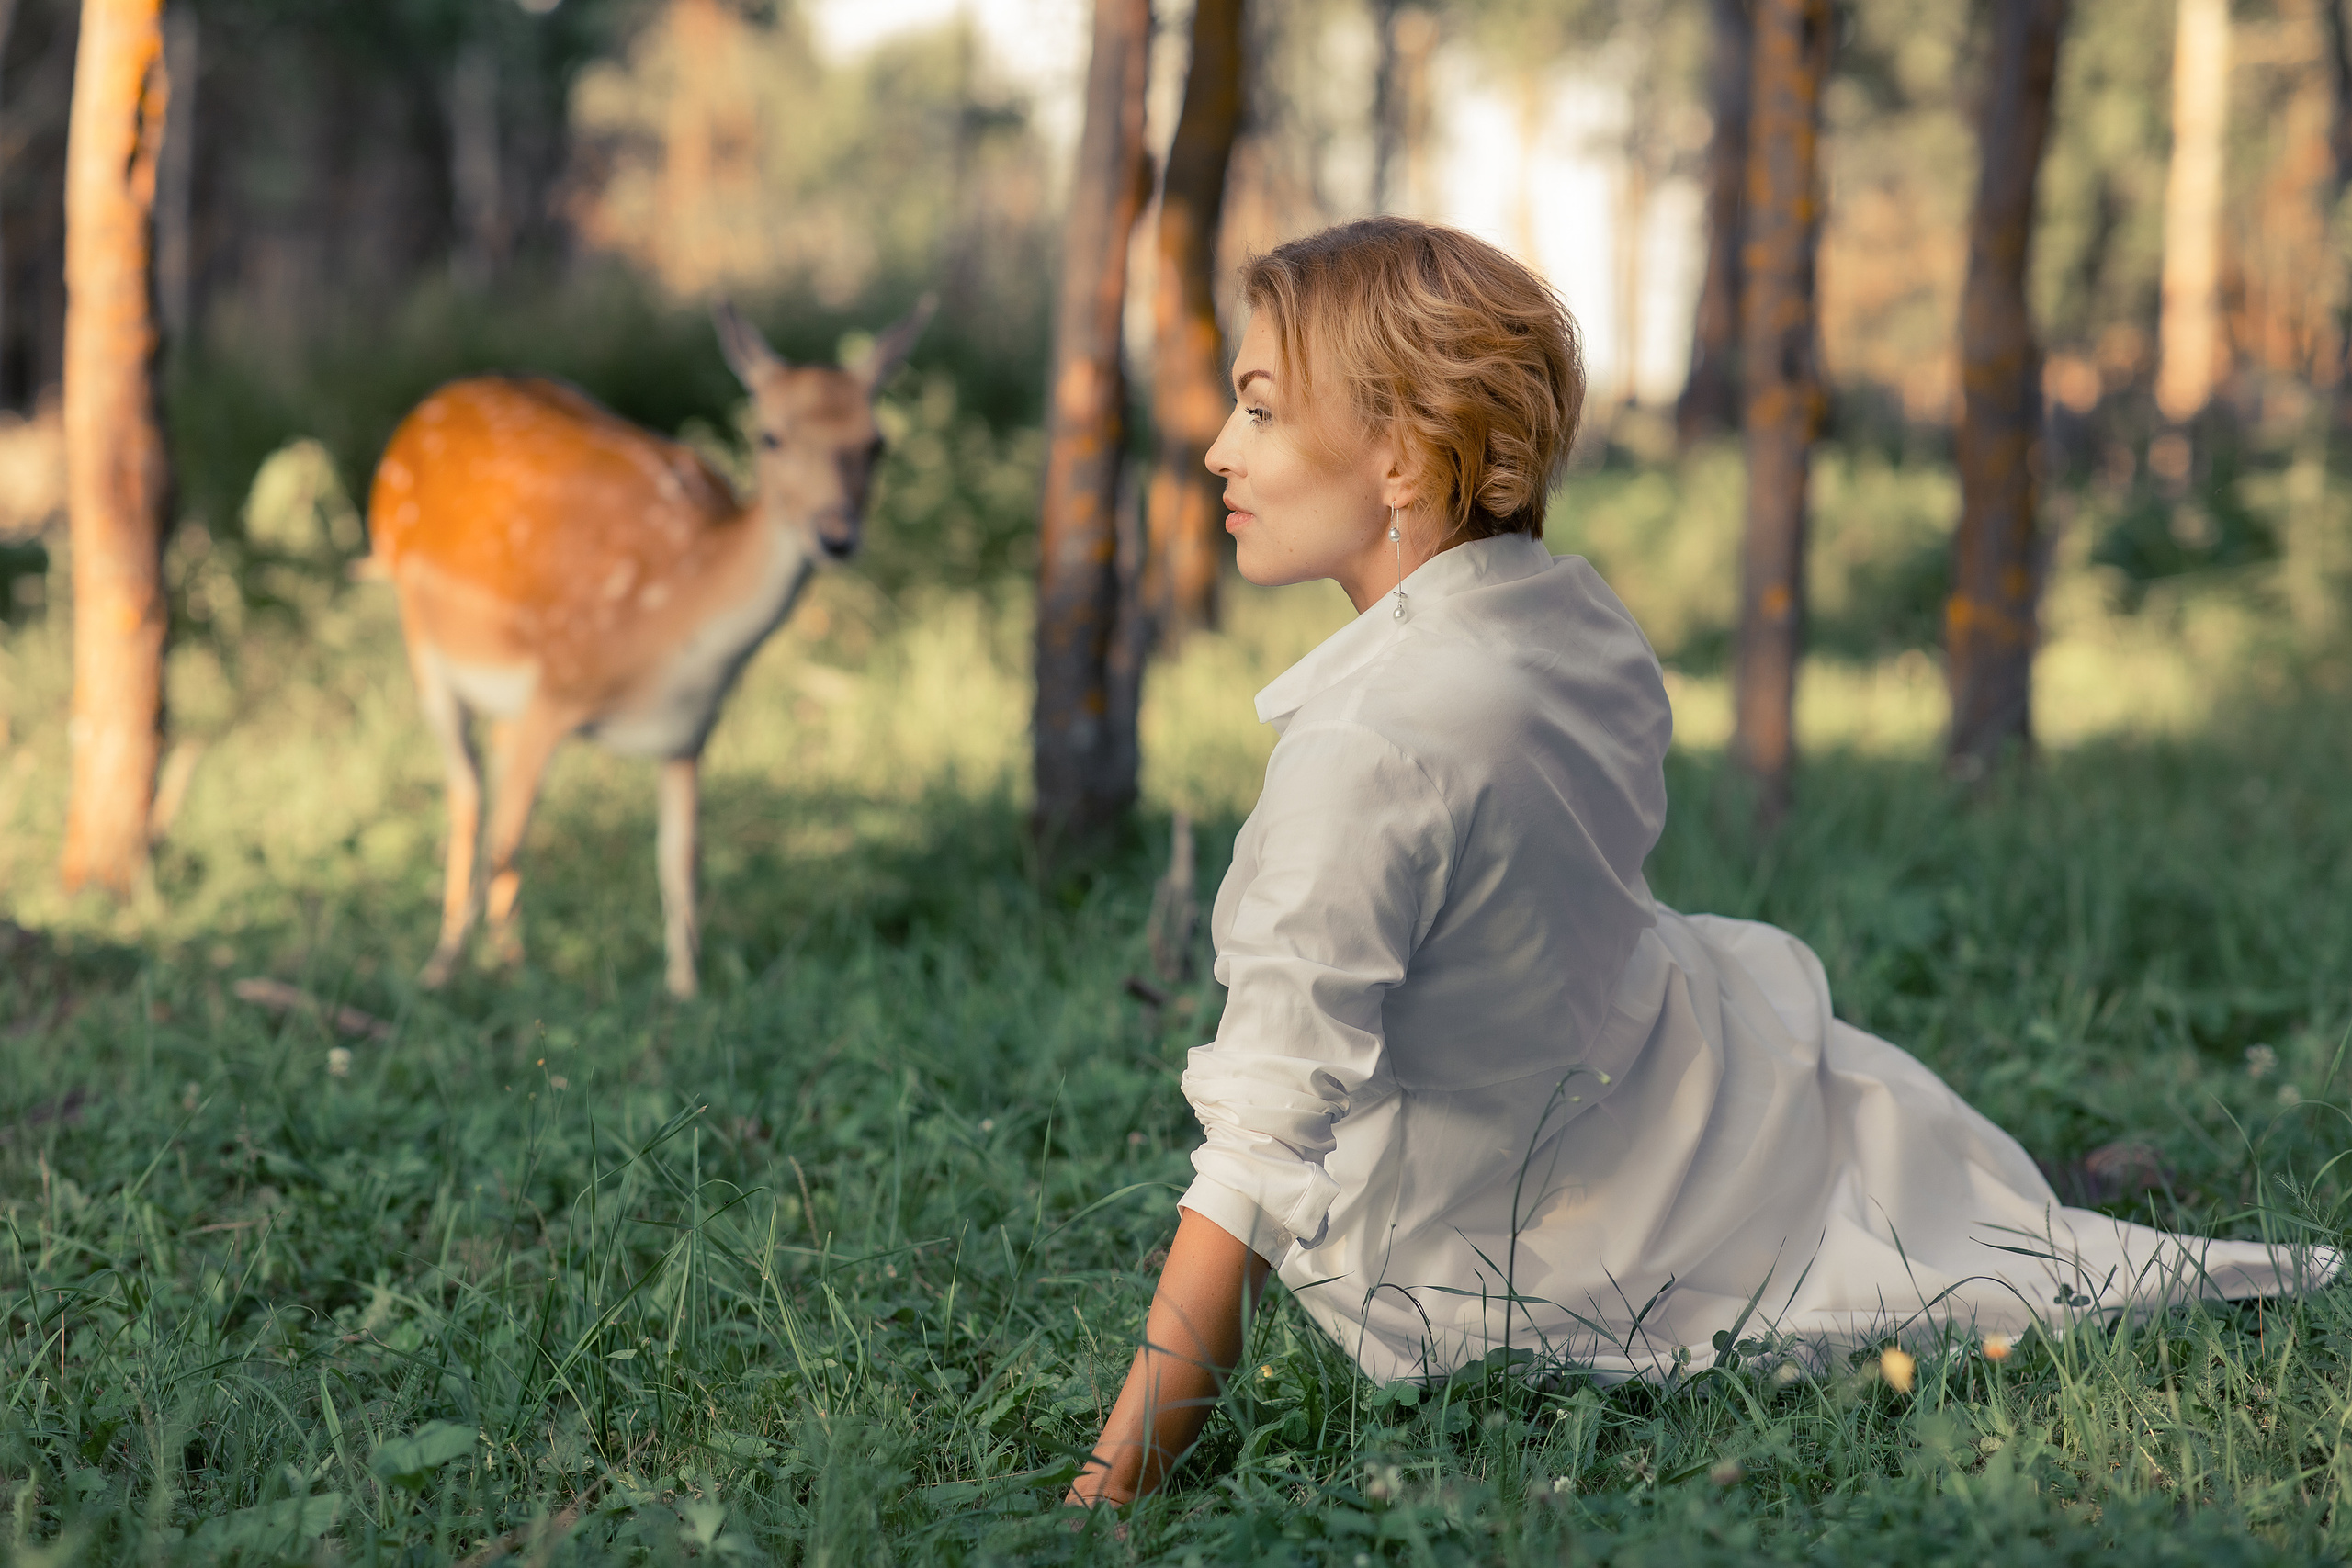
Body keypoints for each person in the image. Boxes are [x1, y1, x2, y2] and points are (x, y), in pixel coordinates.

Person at [1064, 217, 2336, 1510]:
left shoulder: (1365, 752)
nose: (1221, 448)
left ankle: (2048, 1200)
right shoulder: (1567, 619)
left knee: (1935, 1226)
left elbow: (1257, 1156)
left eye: (1263, 409)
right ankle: (2044, 1189)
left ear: (1399, 455)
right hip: (1691, 1085)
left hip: (1524, 1240)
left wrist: (1105, 1496)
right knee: (1908, 1169)